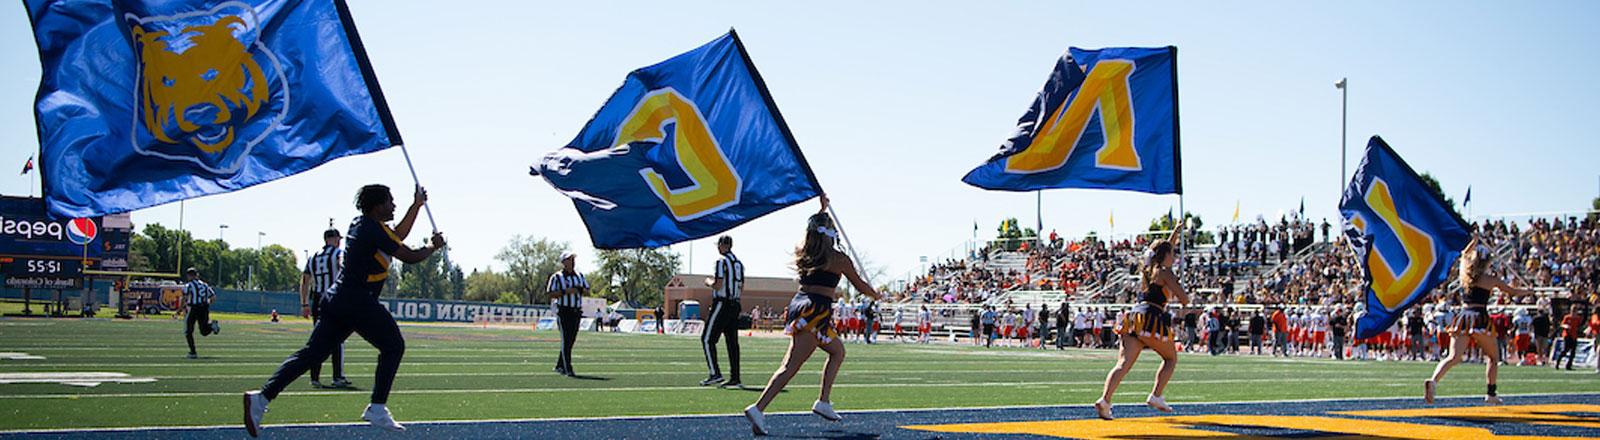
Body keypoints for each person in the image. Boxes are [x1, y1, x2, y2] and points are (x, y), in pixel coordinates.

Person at [245, 185, 445, 436]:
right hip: (356, 299)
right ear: (377, 206)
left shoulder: (362, 224)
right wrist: (432, 247)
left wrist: (415, 206)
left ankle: (261, 398)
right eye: (390, 202)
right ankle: (377, 407)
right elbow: (410, 255)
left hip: (337, 299)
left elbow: (397, 235)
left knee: (311, 354)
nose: (393, 205)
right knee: (394, 345)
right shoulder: (372, 229)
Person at [745, 196, 882, 436]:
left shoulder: (806, 250)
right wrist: (875, 294)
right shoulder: (839, 258)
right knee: (790, 366)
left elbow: (816, 231)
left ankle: (823, 402)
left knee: (837, 351)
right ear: (828, 232)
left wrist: (822, 211)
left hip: (804, 306)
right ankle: (758, 408)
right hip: (815, 311)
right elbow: (860, 285)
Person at [1095, 222, 1190, 420]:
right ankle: (1156, 395)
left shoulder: (1147, 269)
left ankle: (1104, 400)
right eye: (1172, 254)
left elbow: (1162, 249)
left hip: (1133, 317)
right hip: (1151, 318)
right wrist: (1186, 303)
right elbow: (1184, 298)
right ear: (1165, 257)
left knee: (1123, 363)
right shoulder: (1165, 272)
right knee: (1171, 358)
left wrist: (1175, 232)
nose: (1174, 257)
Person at [1425, 241, 1534, 406]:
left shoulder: (1464, 275)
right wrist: (1529, 291)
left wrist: (1473, 242)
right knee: (1493, 357)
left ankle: (1433, 381)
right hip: (1479, 318)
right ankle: (1491, 393)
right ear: (1487, 262)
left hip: (1462, 317)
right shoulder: (1490, 279)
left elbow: (1463, 255)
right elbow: (1513, 292)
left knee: (1453, 357)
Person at [301, 227, 351, 389]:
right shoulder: (338, 253)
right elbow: (344, 266)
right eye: (339, 239)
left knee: (318, 338)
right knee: (337, 338)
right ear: (335, 239)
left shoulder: (314, 257)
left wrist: (305, 303)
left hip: (317, 299)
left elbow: (305, 280)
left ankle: (314, 376)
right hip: (334, 297)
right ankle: (337, 376)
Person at [701, 235, 744, 388]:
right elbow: (741, 286)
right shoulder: (738, 264)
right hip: (735, 303)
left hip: (722, 303)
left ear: (722, 245)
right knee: (732, 342)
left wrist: (708, 282)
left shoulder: (721, 261)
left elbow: (718, 285)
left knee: (707, 339)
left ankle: (715, 373)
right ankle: (735, 378)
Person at [551, 252, 589, 377]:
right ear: (563, 262)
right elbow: (550, 293)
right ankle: (568, 368)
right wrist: (565, 292)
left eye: (573, 259)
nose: (572, 262)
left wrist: (580, 289)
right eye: (569, 259)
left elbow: (587, 290)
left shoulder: (580, 275)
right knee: (566, 339)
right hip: (564, 311)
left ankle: (559, 365)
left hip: (576, 311)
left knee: (571, 340)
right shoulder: (557, 277)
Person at [181, 268, 221, 359]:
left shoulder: (189, 285)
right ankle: (211, 326)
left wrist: (180, 309)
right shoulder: (205, 285)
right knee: (204, 331)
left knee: (188, 331)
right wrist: (207, 304)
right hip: (204, 308)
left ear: (190, 276)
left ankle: (193, 352)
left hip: (194, 308)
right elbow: (213, 297)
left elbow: (184, 297)